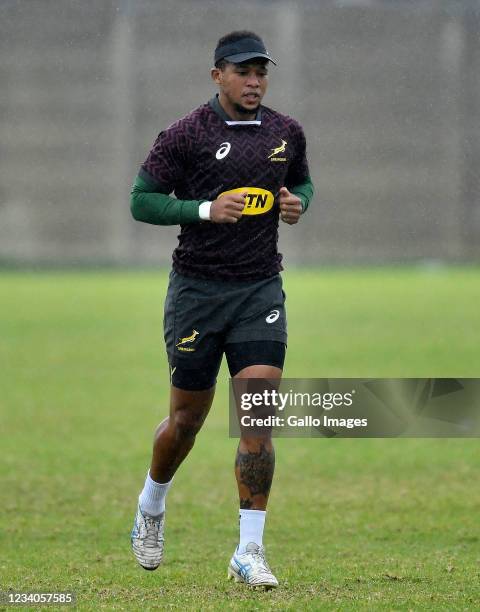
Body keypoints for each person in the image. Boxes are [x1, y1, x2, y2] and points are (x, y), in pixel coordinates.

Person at [129, 30, 314, 589]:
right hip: (198, 293)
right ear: (217, 76)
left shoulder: (286, 133)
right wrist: (206, 208)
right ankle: (152, 502)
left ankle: (249, 550)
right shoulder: (186, 134)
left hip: (260, 290)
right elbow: (141, 200)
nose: (254, 81)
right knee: (186, 422)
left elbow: (302, 181)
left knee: (257, 417)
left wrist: (297, 202)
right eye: (242, 71)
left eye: (261, 72)